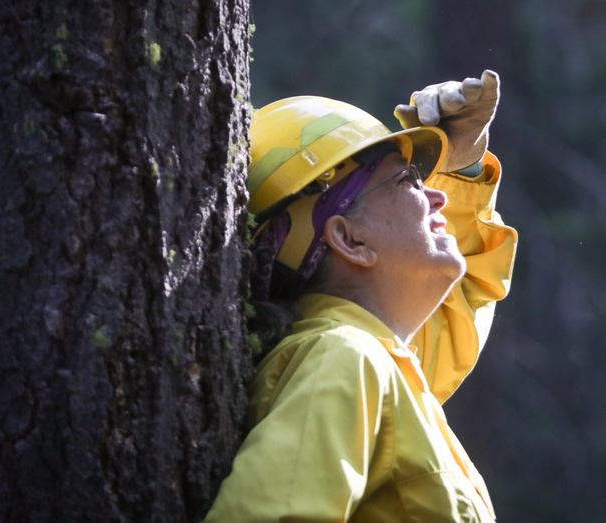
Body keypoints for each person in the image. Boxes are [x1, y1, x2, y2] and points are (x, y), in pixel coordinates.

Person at [204, 70, 518, 522]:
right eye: (408, 179)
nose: (438, 197)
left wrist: (463, 169)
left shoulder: (373, 361)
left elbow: (460, 305)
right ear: (349, 241)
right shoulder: (344, 359)